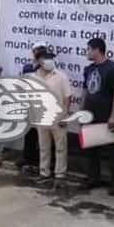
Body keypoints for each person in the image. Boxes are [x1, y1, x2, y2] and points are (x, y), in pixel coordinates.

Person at [80, 38, 114, 196]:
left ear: (97, 50)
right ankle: (93, 178)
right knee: (91, 150)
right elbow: (85, 91)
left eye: (88, 49)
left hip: (107, 116)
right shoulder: (88, 69)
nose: (87, 52)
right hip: (90, 115)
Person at [33, 51, 72, 188]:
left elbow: (68, 97)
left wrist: (65, 115)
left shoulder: (61, 76)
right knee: (44, 147)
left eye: (51, 58)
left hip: (58, 117)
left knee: (61, 147)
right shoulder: (35, 77)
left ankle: (60, 175)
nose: (49, 61)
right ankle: (44, 173)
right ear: (39, 61)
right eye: (46, 59)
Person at [17, 42, 49, 172]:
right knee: (29, 132)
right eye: (36, 51)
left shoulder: (47, 68)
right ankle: (27, 157)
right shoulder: (27, 67)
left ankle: (39, 161)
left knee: (41, 135)